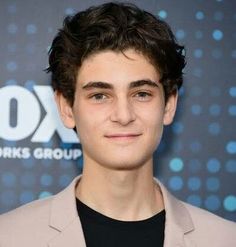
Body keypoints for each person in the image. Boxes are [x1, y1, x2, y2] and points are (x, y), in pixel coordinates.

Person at [0, 2, 235, 247]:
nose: (123, 116)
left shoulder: (225, 239)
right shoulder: (8, 237)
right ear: (66, 108)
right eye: (99, 95)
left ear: (169, 104)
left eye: (142, 94)